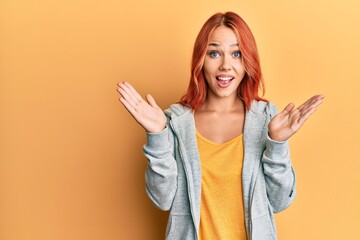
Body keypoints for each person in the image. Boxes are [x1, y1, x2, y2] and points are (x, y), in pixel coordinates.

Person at [117, 11, 324, 240]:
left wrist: (277, 143)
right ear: (200, 60)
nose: (226, 65)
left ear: (248, 61)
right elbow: (162, 199)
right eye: (214, 53)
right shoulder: (176, 122)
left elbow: (280, 201)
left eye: (236, 54)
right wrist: (157, 135)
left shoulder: (266, 119)